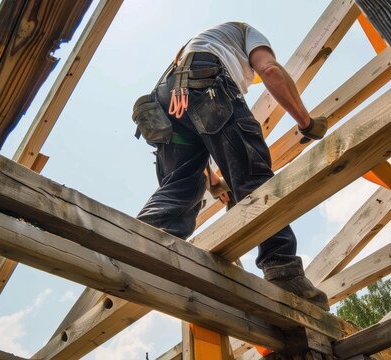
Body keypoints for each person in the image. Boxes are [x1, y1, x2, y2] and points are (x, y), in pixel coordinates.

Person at [133, 22, 329, 310]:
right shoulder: (246, 32)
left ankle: (142, 241)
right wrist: (307, 122)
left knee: (180, 185)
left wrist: (212, 180)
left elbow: (199, 128)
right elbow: (271, 70)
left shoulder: (197, 43)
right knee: (254, 176)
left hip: (166, 99)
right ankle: (283, 271)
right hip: (207, 83)